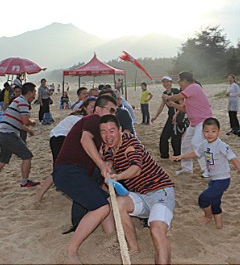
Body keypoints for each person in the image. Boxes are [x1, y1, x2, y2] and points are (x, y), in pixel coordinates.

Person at [52, 94, 119, 263]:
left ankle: (110, 239)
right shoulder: (94, 119)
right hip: (69, 171)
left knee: (107, 200)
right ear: (98, 109)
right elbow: (85, 139)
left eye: (115, 111)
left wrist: (106, 163)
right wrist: (101, 165)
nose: (113, 114)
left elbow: (100, 153)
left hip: (76, 172)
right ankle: (70, 252)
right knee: (101, 207)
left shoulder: (99, 129)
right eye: (111, 110)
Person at [100, 115, 175, 263]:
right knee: (117, 203)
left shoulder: (130, 144)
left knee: (156, 230)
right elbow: (110, 159)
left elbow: (136, 169)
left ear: (120, 130)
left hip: (160, 191)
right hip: (140, 195)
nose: (108, 136)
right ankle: (134, 249)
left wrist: (117, 177)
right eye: (103, 132)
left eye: (112, 131)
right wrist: (108, 166)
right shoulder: (108, 146)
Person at [171, 117, 240, 229]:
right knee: (215, 201)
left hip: (223, 180)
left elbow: (233, 159)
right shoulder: (204, 144)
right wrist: (180, 157)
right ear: (203, 132)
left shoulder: (221, 145)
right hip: (213, 179)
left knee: (203, 198)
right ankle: (219, 224)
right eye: (207, 131)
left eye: (213, 131)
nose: (210, 134)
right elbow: (196, 153)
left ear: (218, 132)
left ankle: (208, 216)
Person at [35, 97, 96, 203]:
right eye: (92, 107)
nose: (94, 109)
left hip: (60, 138)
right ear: (85, 108)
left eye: (96, 107)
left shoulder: (82, 118)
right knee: (60, 169)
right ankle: (39, 197)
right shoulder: (80, 119)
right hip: (59, 138)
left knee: (63, 168)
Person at [0, 82, 39, 189]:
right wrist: (32, 122)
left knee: (3, 160)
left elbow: (16, 122)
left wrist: (28, 130)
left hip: (1, 133)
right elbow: (25, 121)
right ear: (29, 92)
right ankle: (24, 182)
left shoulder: (17, 101)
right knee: (27, 156)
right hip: (8, 135)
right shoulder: (23, 102)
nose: (35, 95)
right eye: (34, 92)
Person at [167, 72, 213, 176]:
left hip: (203, 121)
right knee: (185, 145)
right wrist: (173, 104)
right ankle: (187, 168)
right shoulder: (189, 93)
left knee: (196, 144)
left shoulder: (194, 87)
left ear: (185, 81)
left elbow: (178, 97)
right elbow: (185, 109)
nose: (179, 83)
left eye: (180, 81)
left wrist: (168, 97)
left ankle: (208, 169)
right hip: (194, 123)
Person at [152, 76, 182, 160]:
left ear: (171, 82)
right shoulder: (164, 94)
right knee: (164, 137)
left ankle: (177, 156)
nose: (165, 83)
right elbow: (162, 106)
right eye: (164, 82)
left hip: (179, 116)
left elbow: (182, 104)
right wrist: (156, 116)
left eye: (167, 81)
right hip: (170, 116)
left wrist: (176, 114)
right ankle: (164, 155)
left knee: (175, 138)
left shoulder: (176, 91)